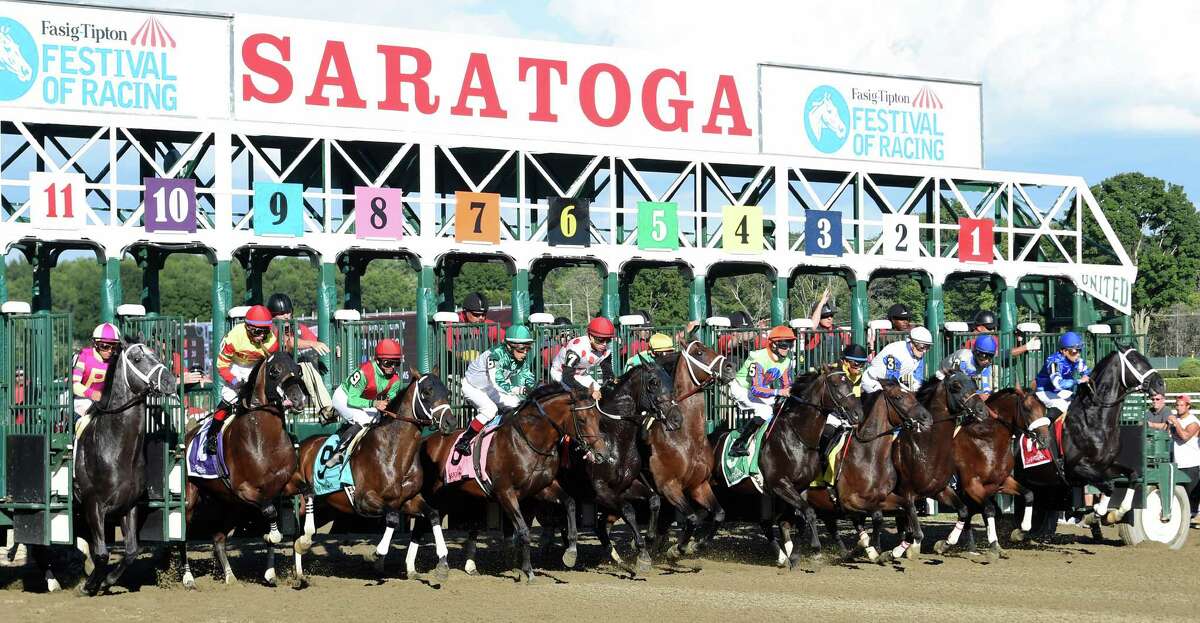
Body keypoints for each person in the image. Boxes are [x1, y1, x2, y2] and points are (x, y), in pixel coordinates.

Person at [207, 305, 279, 453]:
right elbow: (221, 365)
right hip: (235, 366)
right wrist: (234, 381)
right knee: (229, 397)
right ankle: (212, 435)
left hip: (257, 367)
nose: (261, 336)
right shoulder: (234, 338)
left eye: (265, 332)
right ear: (248, 328)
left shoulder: (271, 341)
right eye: (258, 331)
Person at [455, 325, 537, 455]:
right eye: (522, 348)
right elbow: (498, 383)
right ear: (509, 346)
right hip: (472, 387)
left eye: (528, 348)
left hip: (489, 387)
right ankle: (464, 440)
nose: (525, 352)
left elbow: (527, 376)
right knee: (490, 410)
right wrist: (520, 390)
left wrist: (534, 389)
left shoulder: (519, 357)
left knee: (517, 406)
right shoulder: (495, 356)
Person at [324, 339, 406, 467]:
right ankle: (338, 452)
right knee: (363, 419)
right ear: (377, 360)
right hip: (344, 397)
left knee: (378, 419)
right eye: (388, 363)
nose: (392, 367)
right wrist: (374, 404)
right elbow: (352, 399)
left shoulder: (395, 381)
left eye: (396, 363)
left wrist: (386, 403)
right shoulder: (365, 372)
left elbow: (390, 400)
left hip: (366, 400)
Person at [727, 326, 796, 457]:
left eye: (790, 344)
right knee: (765, 411)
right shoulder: (758, 358)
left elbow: (787, 385)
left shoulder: (786, 361)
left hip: (759, 390)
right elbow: (756, 389)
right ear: (773, 344)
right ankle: (738, 444)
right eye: (783, 344)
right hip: (741, 388)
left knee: (781, 406)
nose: (787, 348)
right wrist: (779, 392)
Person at [551, 316, 617, 401]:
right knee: (583, 397)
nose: (604, 344)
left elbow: (607, 373)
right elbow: (567, 377)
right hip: (560, 373)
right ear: (590, 336)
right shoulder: (576, 348)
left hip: (581, 374)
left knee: (601, 393)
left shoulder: (606, 350)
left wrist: (612, 382)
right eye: (600, 340)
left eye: (608, 340)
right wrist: (588, 391)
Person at [861, 326, 933, 395]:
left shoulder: (918, 355)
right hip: (873, 381)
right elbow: (891, 378)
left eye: (928, 347)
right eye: (922, 347)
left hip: (893, 381)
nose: (924, 351)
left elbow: (918, 379)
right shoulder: (896, 351)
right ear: (912, 343)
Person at [1034, 332, 1090, 420]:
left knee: (1078, 401)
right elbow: (1058, 384)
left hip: (1058, 392)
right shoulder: (1054, 362)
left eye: (1079, 350)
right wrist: (1078, 381)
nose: (1078, 354)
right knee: (1061, 404)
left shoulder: (1077, 360)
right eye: (1075, 351)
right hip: (1044, 391)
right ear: (1064, 351)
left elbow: (1087, 373)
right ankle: (1044, 428)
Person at [71, 323, 121, 419]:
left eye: (114, 347)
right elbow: (74, 385)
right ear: (95, 344)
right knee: (88, 418)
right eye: (105, 346)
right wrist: (94, 394)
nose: (110, 351)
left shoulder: (117, 359)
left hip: (107, 401)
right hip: (83, 400)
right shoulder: (84, 356)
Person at [1166, 394, 1200, 523]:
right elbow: (1168, 433)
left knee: (1192, 495)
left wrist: (1176, 423)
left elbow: (1185, 436)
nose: (1178, 408)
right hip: (1177, 463)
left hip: (1192, 463)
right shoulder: (1176, 419)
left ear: (1188, 406)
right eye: (1177, 405)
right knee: (1179, 494)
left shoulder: (1194, 421)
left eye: (1181, 405)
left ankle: (1195, 516)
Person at [266, 293, 330, 356]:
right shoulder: (271, 328)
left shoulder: (298, 327)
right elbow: (289, 342)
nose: (286, 316)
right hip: (275, 364)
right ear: (272, 315)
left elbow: (317, 342)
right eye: (281, 313)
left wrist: (335, 348)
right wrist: (312, 344)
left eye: (288, 312)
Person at [936, 334, 996, 400]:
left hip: (962, 378)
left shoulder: (986, 365)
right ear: (976, 353)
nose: (986, 361)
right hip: (943, 375)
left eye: (990, 357)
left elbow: (985, 384)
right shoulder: (963, 359)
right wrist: (978, 393)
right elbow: (959, 381)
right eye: (984, 356)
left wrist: (986, 393)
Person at [962, 310, 1033, 358]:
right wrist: (1026, 347)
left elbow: (1005, 351)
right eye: (989, 328)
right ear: (980, 327)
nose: (992, 330)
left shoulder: (994, 338)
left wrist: (1018, 341)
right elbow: (1000, 354)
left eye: (994, 328)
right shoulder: (971, 341)